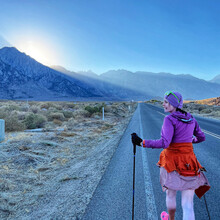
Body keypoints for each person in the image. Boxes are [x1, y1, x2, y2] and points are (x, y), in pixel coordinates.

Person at [132, 91, 210, 220]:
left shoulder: (169, 119)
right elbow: (201, 137)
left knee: (171, 194)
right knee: (188, 204)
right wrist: (190, 141)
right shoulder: (191, 118)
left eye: (166, 102)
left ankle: (171, 218)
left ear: (174, 104)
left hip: (171, 162)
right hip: (189, 162)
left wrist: (142, 142)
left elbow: (164, 143)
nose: (163, 104)